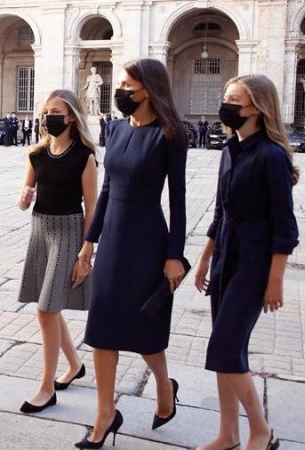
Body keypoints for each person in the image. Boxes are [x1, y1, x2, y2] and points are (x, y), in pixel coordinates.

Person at [77, 58, 188, 449]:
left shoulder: (171, 134)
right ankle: (105, 414)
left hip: (148, 241)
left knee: (145, 331)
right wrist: (90, 241)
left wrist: (175, 255)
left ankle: (163, 386)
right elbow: (106, 190)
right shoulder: (115, 129)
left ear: (148, 89)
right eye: (119, 84)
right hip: (113, 244)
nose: (119, 90)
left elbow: (178, 199)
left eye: (126, 84)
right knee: (103, 330)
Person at [194, 74, 298, 450]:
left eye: (235, 100)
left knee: (225, 346)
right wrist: (205, 260)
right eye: (226, 97)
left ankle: (261, 431)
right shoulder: (228, 150)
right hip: (225, 257)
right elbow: (220, 211)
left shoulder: (271, 157)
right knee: (225, 351)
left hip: (254, 264)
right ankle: (228, 434)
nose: (227, 105)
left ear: (257, 108)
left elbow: (284, 226)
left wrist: (276, 279)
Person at [16, 89, 98, 414]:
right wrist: (23, 197)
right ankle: (75, 365)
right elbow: (23, 200)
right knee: (49, 305)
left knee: (46, 309)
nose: (49, 117)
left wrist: (86, 253)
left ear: (72, 118)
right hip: (40, 231)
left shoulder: (84, 157)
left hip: (69, 231)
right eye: (46, 111)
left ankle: (47, 387)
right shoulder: (36, 154)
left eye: (57, 112)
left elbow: (93, 209)